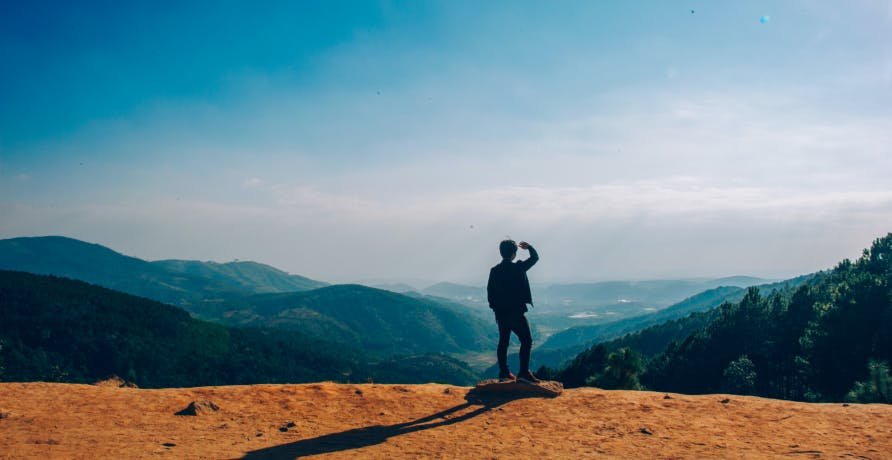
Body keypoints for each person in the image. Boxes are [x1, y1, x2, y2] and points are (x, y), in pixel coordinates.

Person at [487, 239, 540, 383]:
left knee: (503, 342)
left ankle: (504, 373)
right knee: (526, 340)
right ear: (513, 253)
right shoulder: (518, 268)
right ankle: (523, 372)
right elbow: (535, 258)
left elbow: (490, 293)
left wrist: (496, 309)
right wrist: (529, 247)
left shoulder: (495, 271)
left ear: (501, 252)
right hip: (516, 312)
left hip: (501, 313)